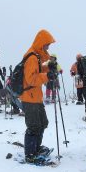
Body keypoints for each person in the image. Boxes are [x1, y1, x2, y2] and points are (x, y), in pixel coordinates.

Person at [20, 29, 56, 164]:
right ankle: (30, 154)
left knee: (42, 123)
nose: (48, 47)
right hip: (29, 98)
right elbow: (31, 79)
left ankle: (36, 148)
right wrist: (47, 76)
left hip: (36, 97)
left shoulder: (38, 56)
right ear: (41, 43)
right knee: (34, 126)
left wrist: (50, 67)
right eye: (47, 44)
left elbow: (41, 68)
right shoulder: (31, 57)